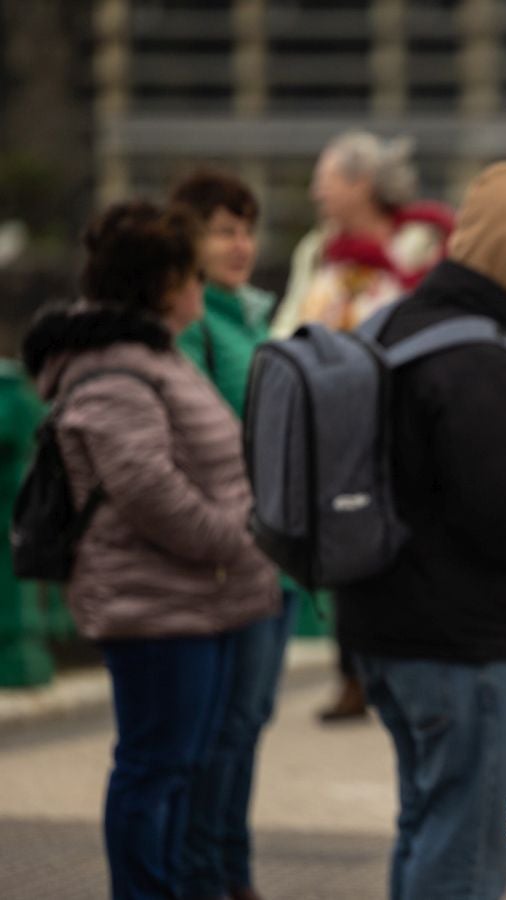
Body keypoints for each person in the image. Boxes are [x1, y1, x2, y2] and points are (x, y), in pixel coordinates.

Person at [335, 161, 506, 900]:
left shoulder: (404, 322)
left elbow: (438, 458)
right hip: (455, 639)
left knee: (426, 826)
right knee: (470, 855)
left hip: (381, 625)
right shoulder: (478, 356)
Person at [21, 200, 278, 898]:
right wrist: (239, 537)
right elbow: (148, 489)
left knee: (179, 765)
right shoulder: (112, 370)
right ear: (164, 284)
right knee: (154, 768)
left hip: (198, 597)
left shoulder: (150, 355)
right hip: (158, 605)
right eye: (191, 273)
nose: (203, 286)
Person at [272, 130, 457, 722]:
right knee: (347, 536)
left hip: (409, 414)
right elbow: (289, 327)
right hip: (342, 417)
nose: (315, 192)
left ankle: (418, 663)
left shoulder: (424, 242)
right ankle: (356, 672)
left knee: (415, 540)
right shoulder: (318, 251)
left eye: (325, 179)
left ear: (360, 183)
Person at [169, 167, 296, 900]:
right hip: (229, 559)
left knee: (245, 727)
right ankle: (207, 879)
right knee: (218, 734)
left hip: (272, 558)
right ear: (188, 238)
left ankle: (230, 875)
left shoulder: (251, 318)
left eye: (246, 228)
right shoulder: (191, 323)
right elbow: (193, 435)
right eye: (223, 229)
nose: (241, 243)